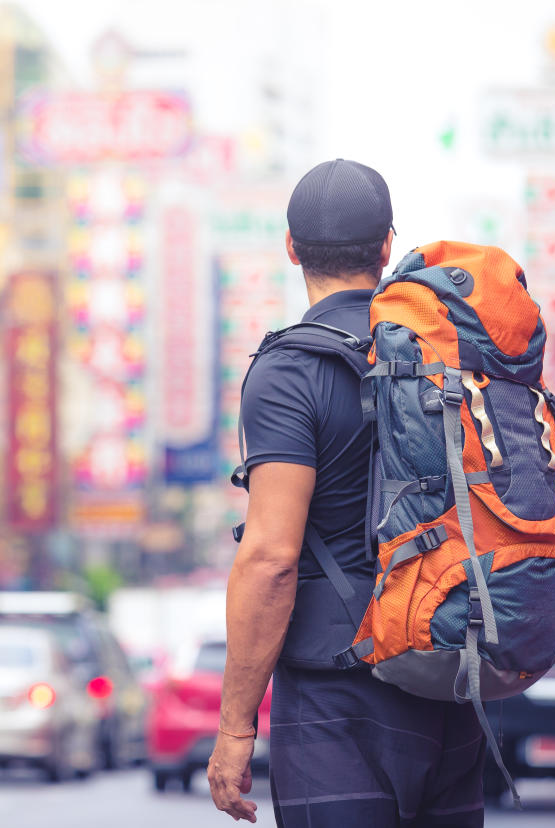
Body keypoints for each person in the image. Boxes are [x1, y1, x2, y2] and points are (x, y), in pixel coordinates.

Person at [207, 160, 486, 826]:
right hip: (451, 679)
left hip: (339, 701)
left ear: (292, 248)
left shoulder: (289, 372)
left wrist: (235, 727)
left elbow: (271, 558)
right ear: (388, 246)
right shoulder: (451, 354)